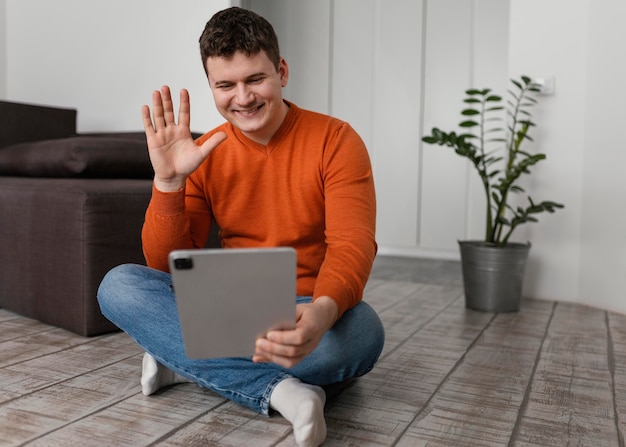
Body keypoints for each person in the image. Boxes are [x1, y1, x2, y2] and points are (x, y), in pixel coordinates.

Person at [97, 6, 384, 447]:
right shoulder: (205, 151)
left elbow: (353, 244)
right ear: (211, 86)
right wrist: (169, 182)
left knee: (363, 332)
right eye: (225, 85)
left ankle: (181, 361)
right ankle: (285, 391)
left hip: (309, 307)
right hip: (234, 307)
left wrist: (323, 311)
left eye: (255, 80)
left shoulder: (337, 140)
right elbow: (164, 267)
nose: (243, 98)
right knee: (118, 285)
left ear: (282, 71)